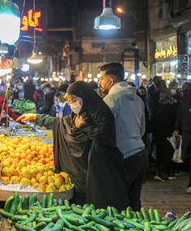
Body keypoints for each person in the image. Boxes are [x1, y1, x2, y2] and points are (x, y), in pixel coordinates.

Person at [17, 81, 129, 210]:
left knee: (97, 204)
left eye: (73, 100)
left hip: (98, 168)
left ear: (84, 98)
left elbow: (102, 136)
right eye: (69, 100)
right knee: (79, 202)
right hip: (78, 169)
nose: (71, 104)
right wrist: (36, 117)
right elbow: (61, 123)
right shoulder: (77, 113)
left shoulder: (102, 113)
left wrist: (83, 126)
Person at [99, 63, 147, 211]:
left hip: (123, 156)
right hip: (140, 153)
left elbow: (103, 132)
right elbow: (142, 129)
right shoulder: (137, 99)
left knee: (118, 200)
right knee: (134, 200)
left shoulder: (110, 99)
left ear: (110, 81)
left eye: (101, 78)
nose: (100, 82)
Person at [152, 89, 177, 182]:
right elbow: (175, 121)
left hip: (158, 134)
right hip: (168, 134)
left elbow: (153, 121)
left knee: (160, 153)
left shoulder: (156, 107)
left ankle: (168, 172)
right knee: (168, 154)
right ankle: (161, 173)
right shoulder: (171, 108)